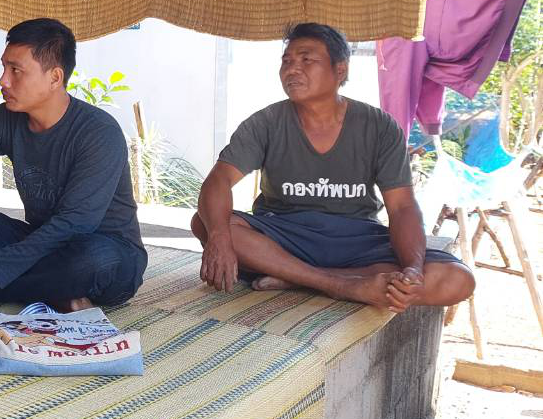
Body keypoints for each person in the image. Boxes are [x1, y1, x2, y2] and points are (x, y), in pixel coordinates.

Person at [192, 22, 474, 311]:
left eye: (306, 60)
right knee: (206, 223)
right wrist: (219, 236)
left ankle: (298, 278)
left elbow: (402, 207)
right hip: (287, 236)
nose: (292, 69)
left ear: (340, 70)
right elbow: (219, 180)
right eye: (286, 61)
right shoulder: (266, 123)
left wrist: (412, 269)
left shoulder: (379, 126)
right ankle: (341, 285)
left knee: (457, 279)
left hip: (356, 240)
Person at [0, 18, 146, 311]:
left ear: (55, 78)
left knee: (96, 260)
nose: (3, 80)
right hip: (40, 244)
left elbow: (75, 224)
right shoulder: (2, 120)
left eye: (16, 70)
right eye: (4, 67)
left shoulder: (99, 133)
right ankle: (52, 294)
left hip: (101, 250)